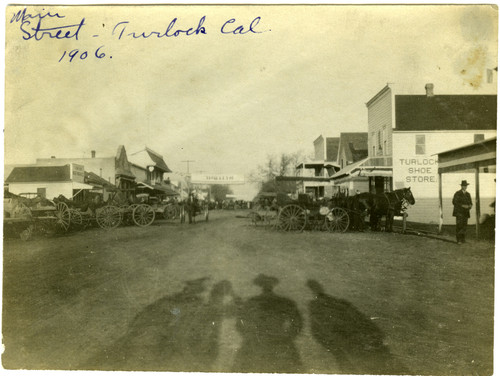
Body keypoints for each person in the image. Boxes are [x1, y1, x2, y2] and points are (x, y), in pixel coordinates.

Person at [452, 180, 473, 244]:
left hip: (466, 212)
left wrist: (470, 206)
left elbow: (470, 203)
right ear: (461, 186)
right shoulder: (457, 193)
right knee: (459, 226)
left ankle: (463, 239)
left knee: (464, 226)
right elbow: (454, 202)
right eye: (463, 186)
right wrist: (462, 205)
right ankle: (459, 240)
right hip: (459, 212)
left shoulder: (468, 194)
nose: (465, 187)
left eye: (466, 186)